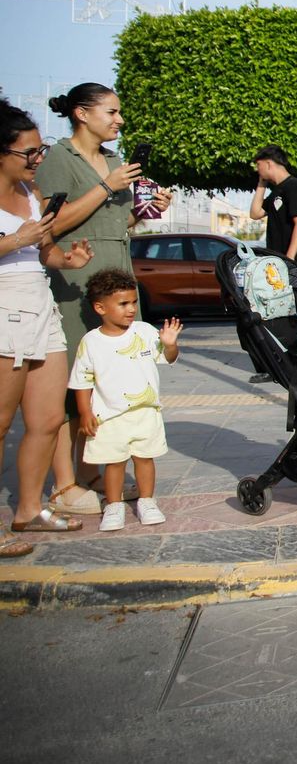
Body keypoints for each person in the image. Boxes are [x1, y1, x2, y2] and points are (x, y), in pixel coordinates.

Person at [37, 82, 169, 513]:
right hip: (75, 282)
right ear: (81, 113)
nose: (119, 120)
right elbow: (52, 225)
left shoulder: (114, 162)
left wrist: (145, 211)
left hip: (117, 276)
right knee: (70, 386)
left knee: (111, 382)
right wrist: (107, 185)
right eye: (111, 113)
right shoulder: (60, 158)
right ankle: (63, 485)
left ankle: (92, 471)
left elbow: (117, 222)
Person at [0, 98, 96, 547]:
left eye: (40, 151)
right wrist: (16, 238)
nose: (37, 160)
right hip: (6, 309)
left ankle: (28, 510)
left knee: (45, 418)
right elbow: (18, 243)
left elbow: (41, 251)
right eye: (28, 153)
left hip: (41, 303)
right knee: (1, 423)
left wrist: (65, 259)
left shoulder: (32, 195)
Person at [69, 269, 180, 532]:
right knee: (114, 463)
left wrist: (170, 344)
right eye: (123, 304)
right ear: (100, 307)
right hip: (109, 417)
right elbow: (82, 380)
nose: (131, 309)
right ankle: (114, 505)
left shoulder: (144, 331)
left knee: (145, 459)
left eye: (133, 302)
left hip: (146, 413)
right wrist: (85, 413)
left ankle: (147, 501)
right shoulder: (91, 342)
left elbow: (169, 358)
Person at [249, 145, 297, 271]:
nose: (257, 170)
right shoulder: (278, 190)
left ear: (268, 164)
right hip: (279, 259)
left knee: (294, 292)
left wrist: (289, 258)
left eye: (259, 165)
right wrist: (261, 184)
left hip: (296, 260)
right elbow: (255, 213)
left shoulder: (294, 186)